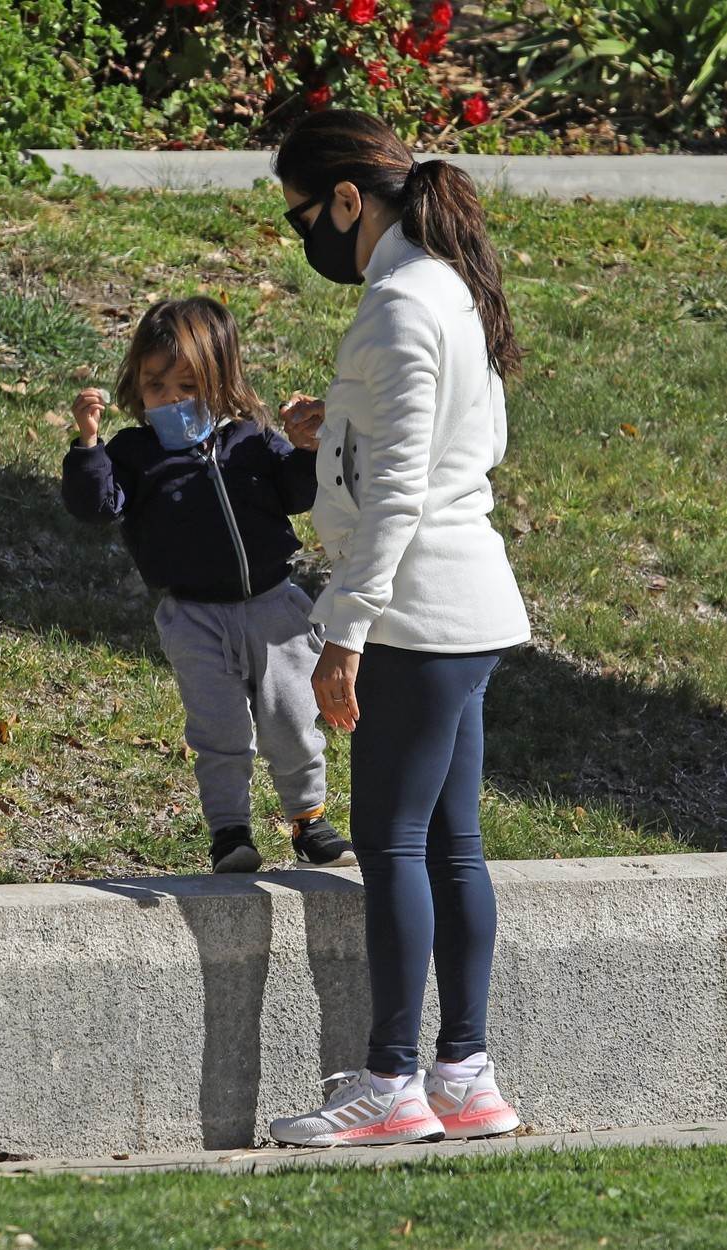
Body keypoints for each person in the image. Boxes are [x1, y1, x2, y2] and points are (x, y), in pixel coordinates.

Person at [268, 110, 531, 1147]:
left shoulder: (396, 305)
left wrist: (346, 628)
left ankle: (388, 1079)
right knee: (452, 845)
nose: (303, 236)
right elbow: (463, 441)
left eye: (302, 214)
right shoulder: (446, 290)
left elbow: (400, 498)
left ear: (346, 199)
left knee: (391, 844)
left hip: (417, 612)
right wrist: (330, 429)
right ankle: (461, 1071)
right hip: (467, 606)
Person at [61, 295, 355, 873]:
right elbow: (96, 504)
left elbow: (297, 494)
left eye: (188, 387)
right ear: (137, 388)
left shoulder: (250, 439)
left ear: (221, 383)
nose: (170, 400)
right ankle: (230, 834)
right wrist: (89, 445)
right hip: (192, 616)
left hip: (275, 607)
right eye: (155, 386)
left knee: (292, 718)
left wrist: (307, 449)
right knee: (219, 729)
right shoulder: (135, 454)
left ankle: (309, 820)